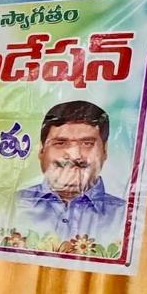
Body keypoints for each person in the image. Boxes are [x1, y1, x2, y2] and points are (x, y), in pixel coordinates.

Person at [15, 100, 126, 245]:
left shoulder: (128, 217)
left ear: (105, 150)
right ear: (41, 150)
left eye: (87, 144)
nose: (74, 156)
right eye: (60, 143)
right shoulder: (9, 206)